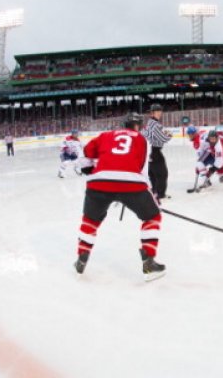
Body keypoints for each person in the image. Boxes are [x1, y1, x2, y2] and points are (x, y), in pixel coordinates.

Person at [73, 113, 166, 281]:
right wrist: (148, 197)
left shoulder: (105, 135)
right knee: (153, 217)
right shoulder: (143, 140)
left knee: (90, 221)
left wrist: (87, 168)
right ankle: (149, 261)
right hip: (132, 184)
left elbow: (86, 154)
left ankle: (82, 256)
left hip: (99, 182)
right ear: (138, 126)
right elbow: (143, 171)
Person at [141, 103, 172, 202]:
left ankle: (154, 192)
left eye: (160, 111)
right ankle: (160, 194)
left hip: (148, 152)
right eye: (157, 112)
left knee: (153, 174)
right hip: (154, 151)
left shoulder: (148, 124)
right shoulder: (155, 125)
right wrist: (169, 135)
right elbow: (163, 138)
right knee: (162, 173)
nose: (159, 113)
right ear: (152, 113)